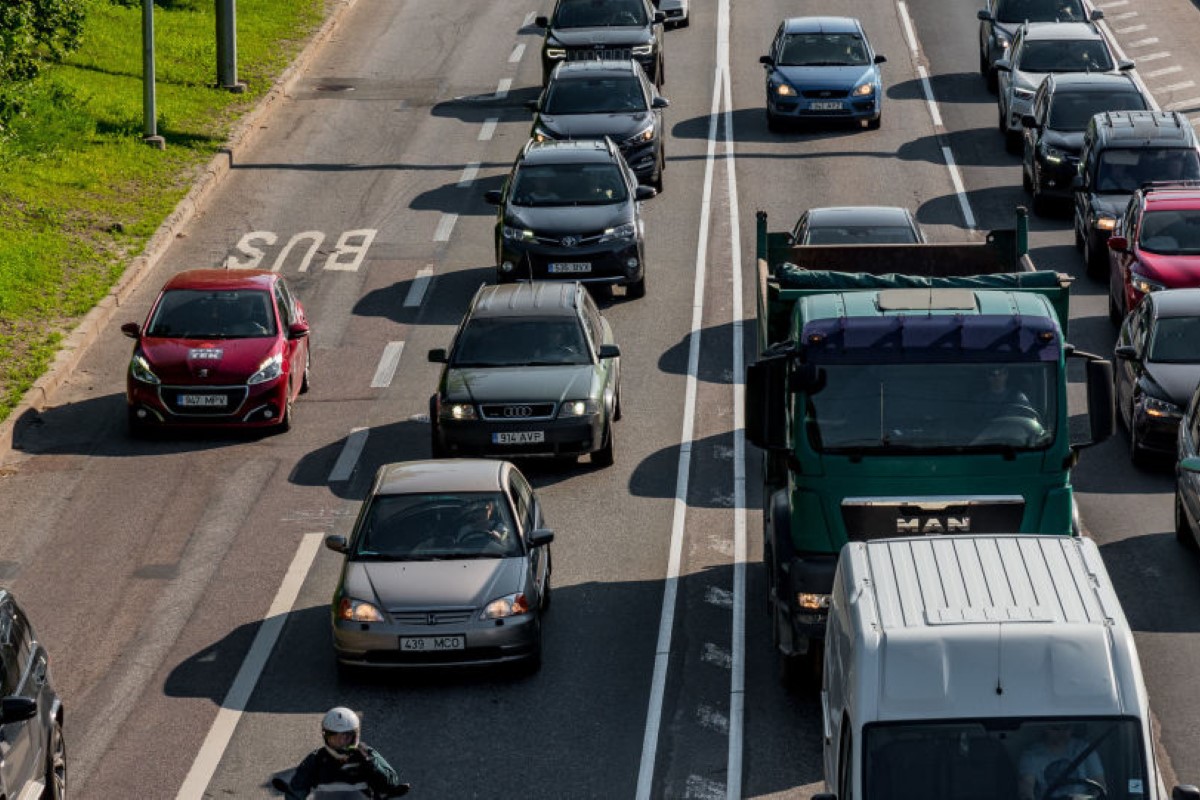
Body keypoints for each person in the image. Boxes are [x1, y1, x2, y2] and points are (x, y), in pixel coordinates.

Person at [281, 707, 409, 799]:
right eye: (335, 737)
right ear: (326, 736)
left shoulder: (367, 754)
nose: (341, 742)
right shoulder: (316, 759)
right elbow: (297, 791)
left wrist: (370, 764)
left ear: (355, 735)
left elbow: (391, 782)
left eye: (346, 736)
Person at [1018, 723, 1106, 800]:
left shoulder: (1084, 749)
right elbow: (1027, 786)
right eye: (1055, 729)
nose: (1061, 734)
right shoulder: (1032, 755)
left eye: (1066, 728)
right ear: (1045, 728)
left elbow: (1099, 783)